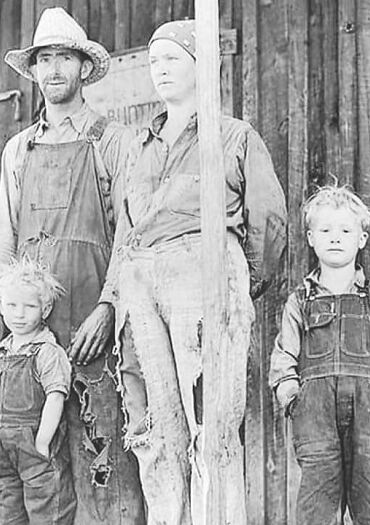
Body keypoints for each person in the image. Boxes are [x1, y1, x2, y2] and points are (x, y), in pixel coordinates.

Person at [102, 19, 287, 524]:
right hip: (143, 280)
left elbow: (268, 221)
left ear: (203, 67)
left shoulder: (233, 136)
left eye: (172, 60)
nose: (160, 70)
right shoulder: (138, 145)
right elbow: (126, 227)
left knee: (214, 423)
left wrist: (234, 279)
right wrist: (120, 291)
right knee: (158, 427)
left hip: (203, 269)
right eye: (154, 61)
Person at [0, 7, 144, 524]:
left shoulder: (112, 141)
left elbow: (130, 235)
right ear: (33, 70)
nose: (53, 70)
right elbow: (3, 233)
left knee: (105, 465)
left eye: (64, 58)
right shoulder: (18, 150)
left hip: (93, 328)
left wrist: (109, 306)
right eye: (44, 59)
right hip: (31, 331)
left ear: (82, 68)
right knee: (35, 470)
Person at [269, 184, 370, 525]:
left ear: (361, 239)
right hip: (315, 415)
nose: (335, 237)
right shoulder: (299, 302)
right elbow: (283, 358)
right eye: (325, 230)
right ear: (310, 237)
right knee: (316, 505)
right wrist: (293, 397)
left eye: (346, 230)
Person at [0, 258, 75, 524]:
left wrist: (42, 442)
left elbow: (55, 397)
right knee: (6, 509)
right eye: (12, 305)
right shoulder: (1, 351)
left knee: (46, 510)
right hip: (2, 445)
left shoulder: (47, 351)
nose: (19, 314)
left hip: (33, 443)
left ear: (45, 308)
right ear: (1, 306)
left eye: (29, 306)